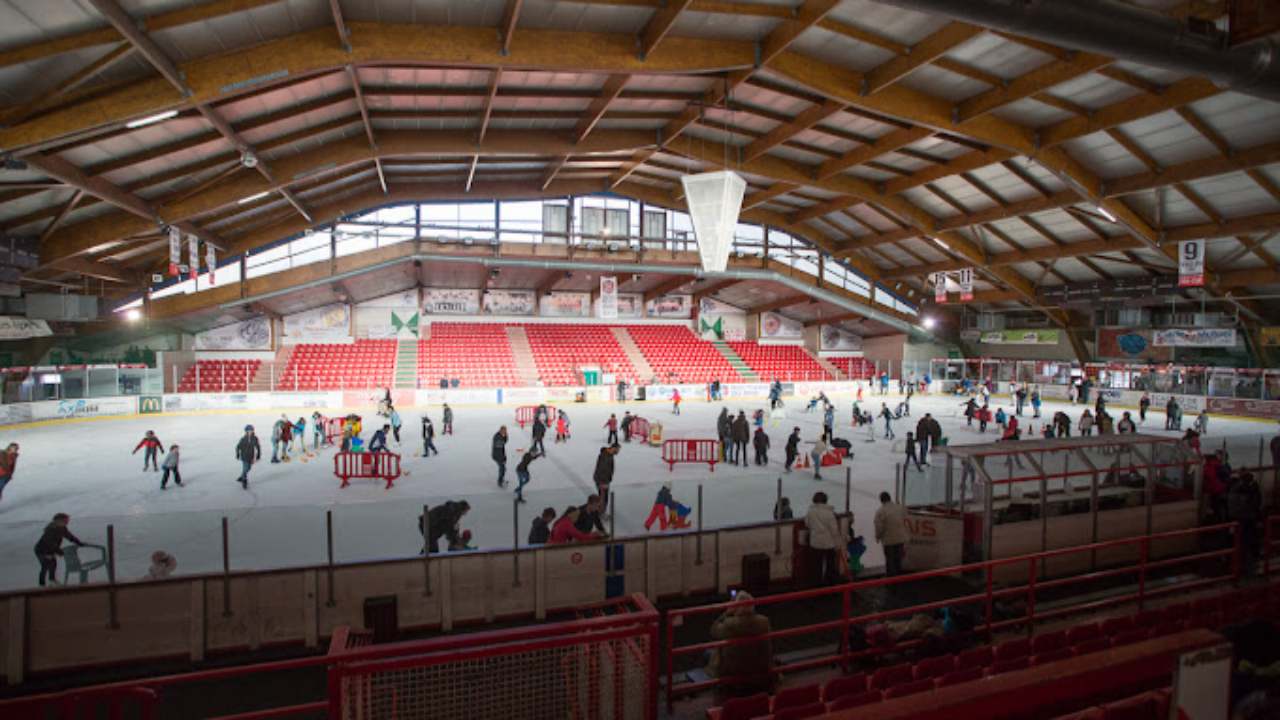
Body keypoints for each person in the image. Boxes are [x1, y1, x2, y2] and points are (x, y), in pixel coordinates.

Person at [703, 591, 774, 701]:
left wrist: (727, 612)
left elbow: (714, 630)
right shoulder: (764, 622)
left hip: (732, 676)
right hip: (759, 672)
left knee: (707, 653)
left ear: (735, 607)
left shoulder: (730, 624)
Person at [35, 513, 84, 586]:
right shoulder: (51, 530)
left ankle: (52, 580)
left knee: (53, 564)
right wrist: (58, 551)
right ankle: (42, 584)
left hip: (50, 550)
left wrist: (78, 542)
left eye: (67, 522)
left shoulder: (62, 528)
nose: (67, 523)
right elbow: (49, 543)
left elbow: (69, 536)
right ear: (58, 521)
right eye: (65, 522)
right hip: (42, 550)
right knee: (45, 565)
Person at [805, 491, 841, 585]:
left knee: (817, 566)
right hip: (828, 544)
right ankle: (830, 585)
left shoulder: (810, 511)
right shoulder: (829, 513)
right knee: (830, 565)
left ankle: (817, 586)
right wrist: (837, 543)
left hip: (815, 543)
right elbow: (834, 530)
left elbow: (808, 524)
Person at [1228, 471, 1262, 558]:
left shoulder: (1234, 488)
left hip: (1234, 516)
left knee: (1235, 536)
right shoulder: (1250, 490)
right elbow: (1254, 504)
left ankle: (1232, 554)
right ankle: (1253, 553)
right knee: (1251, 535)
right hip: (1247, 517)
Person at [874, 492, 908, 577]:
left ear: (881, 500)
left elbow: (879, 527)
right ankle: (900, 578)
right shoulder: (899, 508)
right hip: (900, 538)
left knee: (890, 561)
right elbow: (905, 514)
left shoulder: (880, 511)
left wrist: (877, 537)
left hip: (888, 540)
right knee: (898, 560)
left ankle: (891, 581)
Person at [593, 444, 619, 516]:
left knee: (603, 497)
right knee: (603, 498)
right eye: (617, 450)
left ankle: (600, 511)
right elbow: (602, 469)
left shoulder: (608, 455)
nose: (618, 452)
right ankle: (600, 512)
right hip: (602, 480)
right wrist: (603, 482)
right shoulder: (606, 456)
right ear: (613, 448)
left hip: (604, 480)